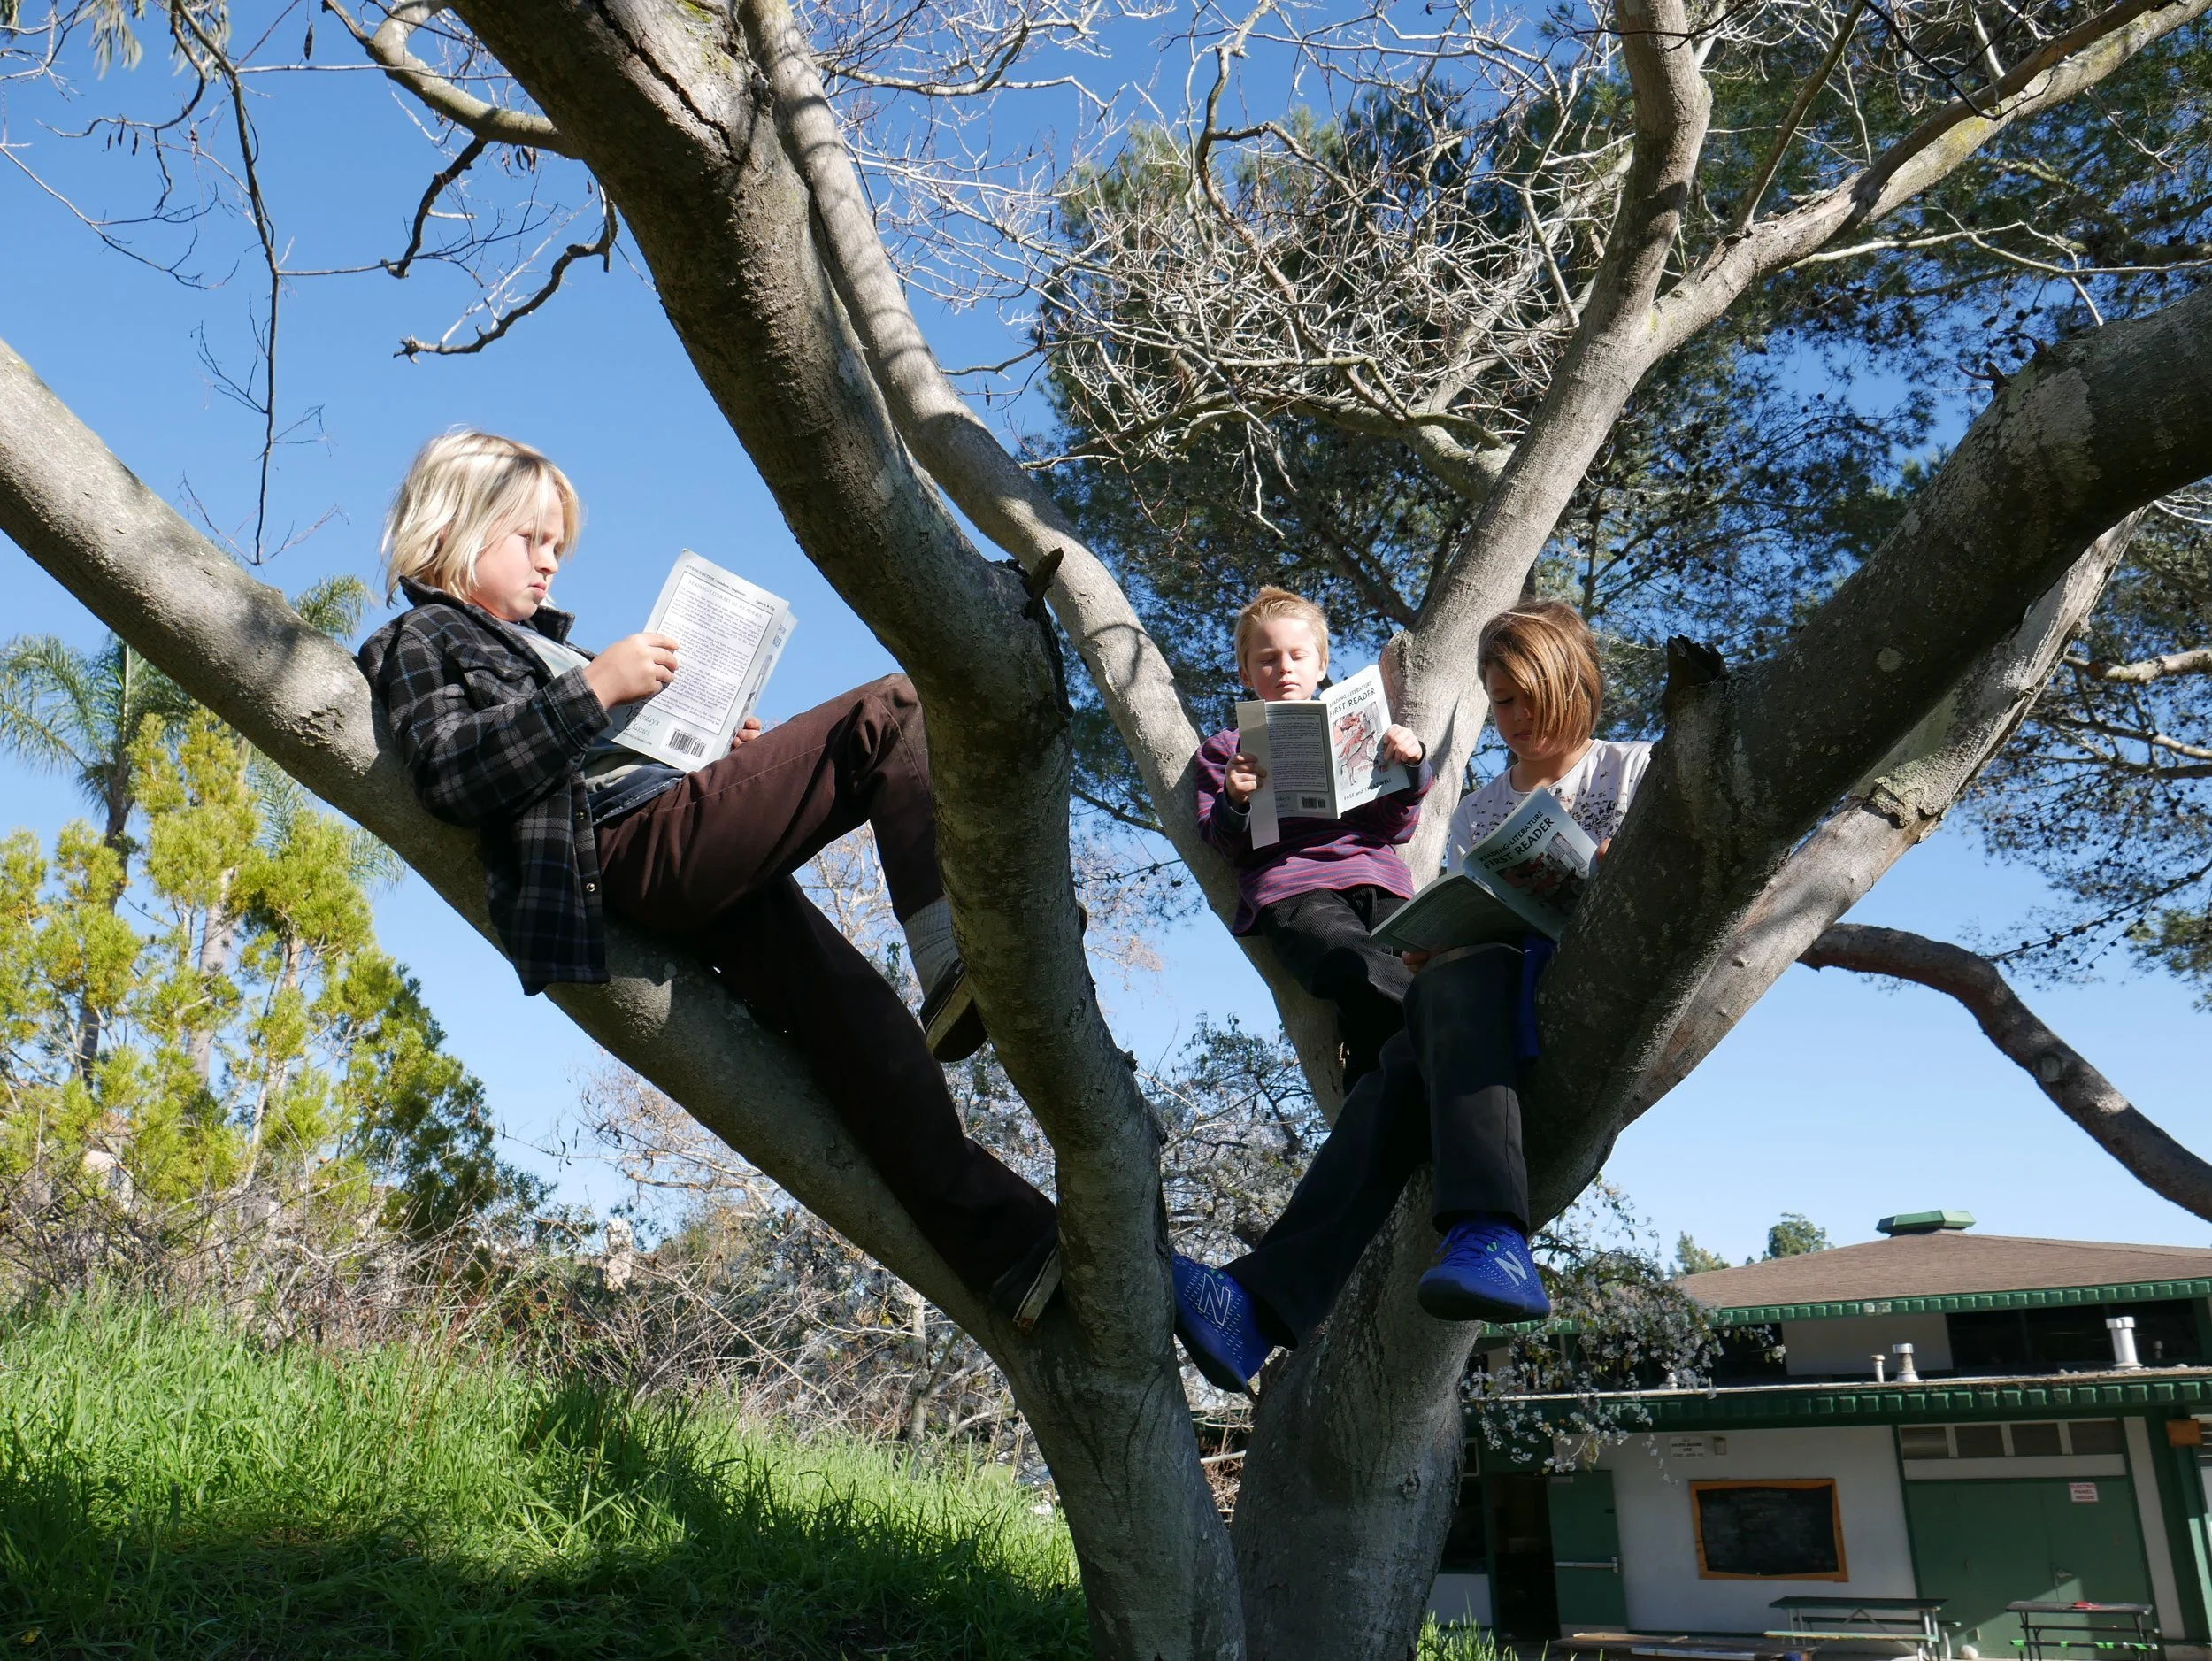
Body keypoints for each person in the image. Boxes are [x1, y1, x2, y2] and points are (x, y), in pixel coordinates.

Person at [355, 431, 1062, 1326]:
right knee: (892, 710)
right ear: (455, 529)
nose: (549, 567)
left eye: (557, 549)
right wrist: (597, 687)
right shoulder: (422, 638)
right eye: (530, 540)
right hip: (618, 849)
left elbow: (612, 752)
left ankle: (1014, 1254)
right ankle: (956, 953)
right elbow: (454, 776)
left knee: (859, 1018)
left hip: (674, 823)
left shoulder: (543, 648)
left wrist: (718, 756)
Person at [1169, 600, 1651, 1392]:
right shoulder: (1478, 811)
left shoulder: (1633, 771)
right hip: (1475, 1011)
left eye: (1529, 695)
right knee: (1399, 1066)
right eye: (1499, 701)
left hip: (1570, 998)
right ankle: (1255, 1310)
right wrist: (1432, 948)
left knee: (1434, 1009)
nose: (1515, 717)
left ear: (1577, 684)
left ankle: (1490, 1229)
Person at [1193, 588, 1432, 1090]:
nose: (1284, 668)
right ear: (1245, 674)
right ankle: (1442, 1031)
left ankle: (1380, 1095)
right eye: (1267, 659)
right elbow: (1222, 842)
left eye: (1298, 656)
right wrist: (1235, 799)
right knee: (1351, 963)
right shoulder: (1227, 749)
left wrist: (1411, 766)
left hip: (1380, 877)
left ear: (1322, 664)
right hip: (1295, 887)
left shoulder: (1355, 729)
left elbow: (1397, 827)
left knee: (1414, 966)